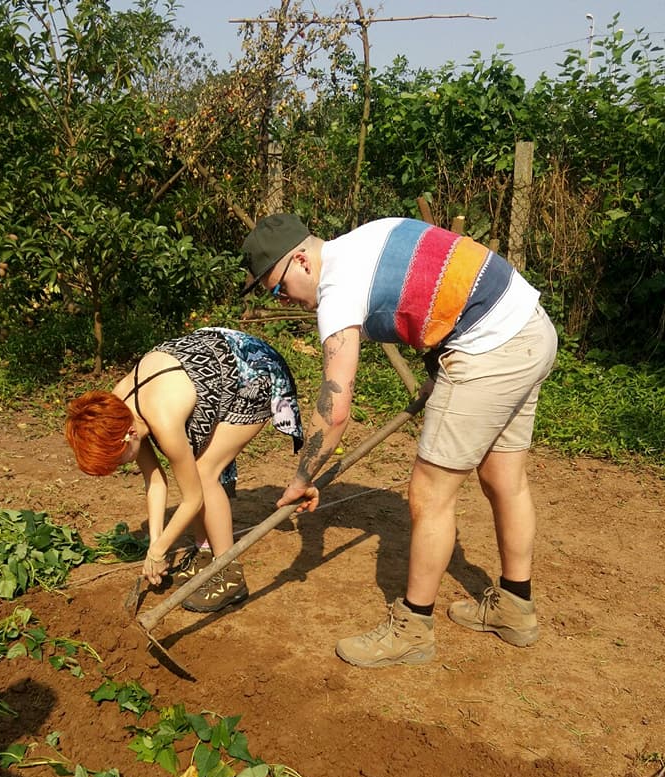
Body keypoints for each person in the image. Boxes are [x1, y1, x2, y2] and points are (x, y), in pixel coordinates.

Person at [241, 213, 558, 666]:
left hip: (490, 350)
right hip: (528, 327)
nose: (288, 300)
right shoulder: (370, 235)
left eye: (279, 289)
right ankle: (515, 608)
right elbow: (437, 287)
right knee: (504, 477)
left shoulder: (335, 289)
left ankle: (413, 629)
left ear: (302, 262)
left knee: (429, 494)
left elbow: (334, 409)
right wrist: (441, 369)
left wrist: (301, 476)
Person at [65, 326, 302, 612]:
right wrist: (156, 543)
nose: (120, 466)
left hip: (254, 370)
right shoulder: (117, 408)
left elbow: (192, 498)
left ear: (129, 434)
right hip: (212, 371)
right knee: (196, 470)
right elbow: (155, 482)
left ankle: (229, 574)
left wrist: (160, 550)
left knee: (203, 473)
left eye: (118, 461)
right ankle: (204, 555)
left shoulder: (161, 417)